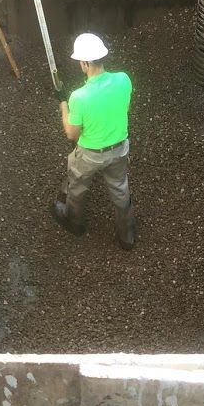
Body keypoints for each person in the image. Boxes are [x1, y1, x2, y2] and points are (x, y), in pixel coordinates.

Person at [52, 32, 136, 250]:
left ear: (85, 63)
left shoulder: (79, 97)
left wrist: (62, 103)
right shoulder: (123, 79)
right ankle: (126, 235)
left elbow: (72, 134)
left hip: (90, 154)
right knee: (120, 188)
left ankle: (75, 223)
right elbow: (124, 109)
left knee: (77, 186)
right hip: (119, 149)